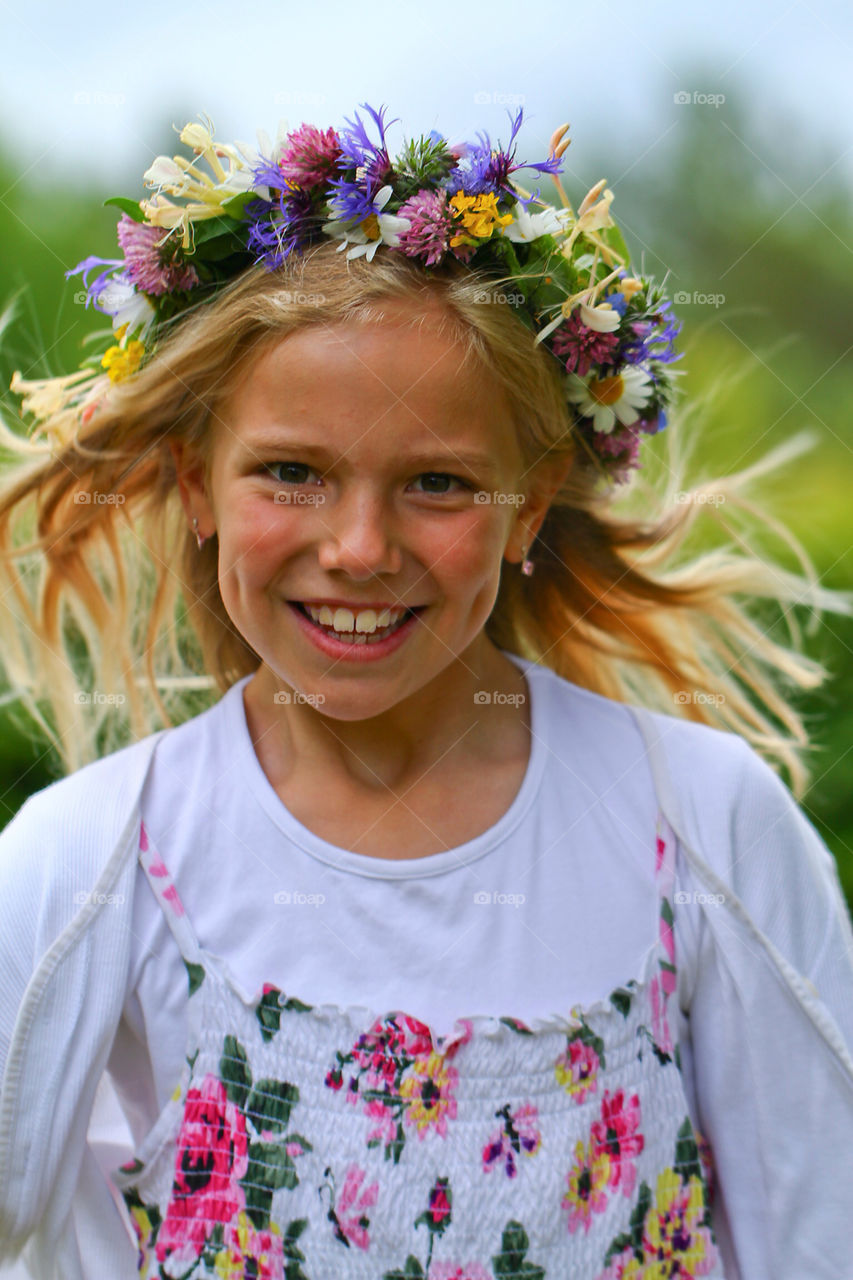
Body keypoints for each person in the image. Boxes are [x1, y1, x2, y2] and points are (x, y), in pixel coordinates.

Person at [0, 103, 851, 1280]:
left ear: (531, 500)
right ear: (196, 483)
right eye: (291, 472)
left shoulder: (706, 828)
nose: (359, 547)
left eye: (438, 483)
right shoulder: (85, 862)